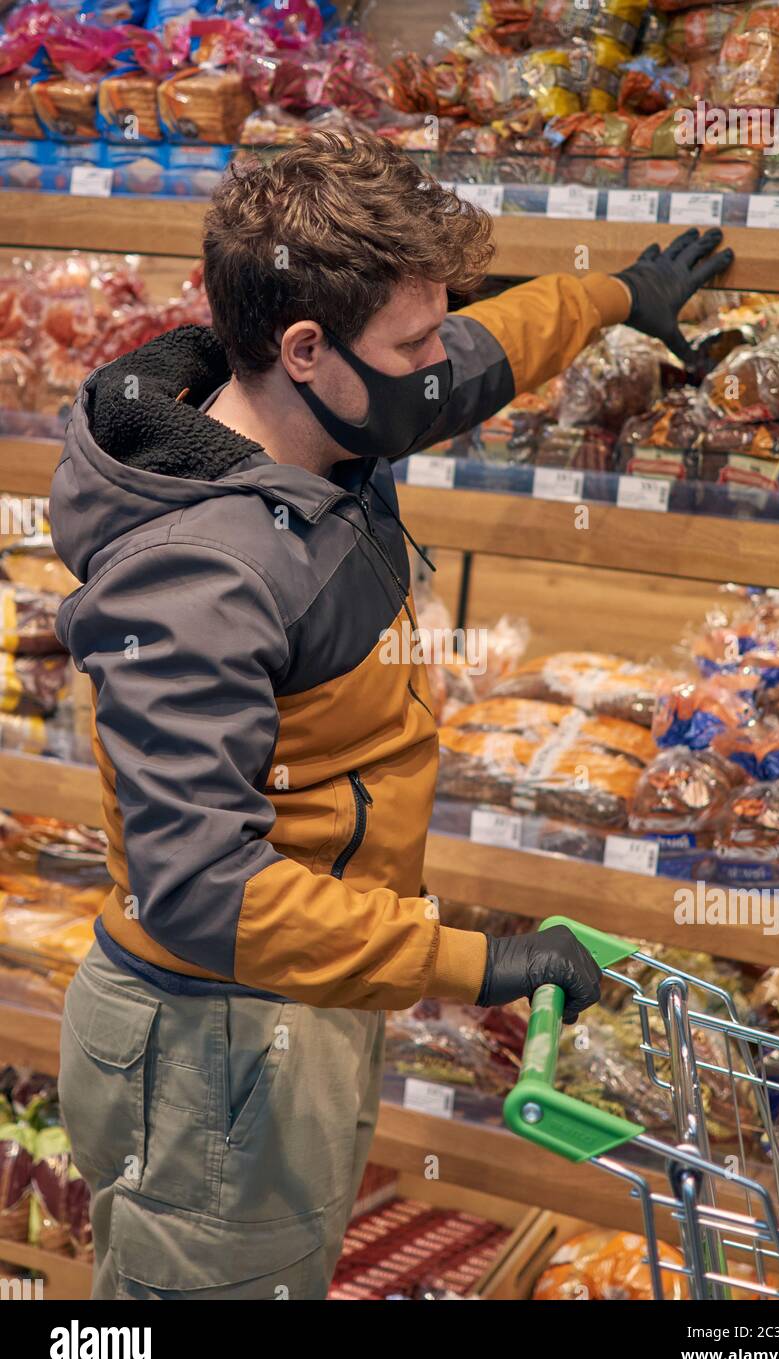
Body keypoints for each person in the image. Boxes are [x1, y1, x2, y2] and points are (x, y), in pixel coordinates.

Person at [50, 130, 733, 1300]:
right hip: (222, 1029)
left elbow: (472, 354)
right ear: (307, 349)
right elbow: (210, 893)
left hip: (308, 984)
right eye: (409, 341)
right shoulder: (199, 579)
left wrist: (620, 294)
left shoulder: (322, 411)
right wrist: (479, 961)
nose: (435, 364)